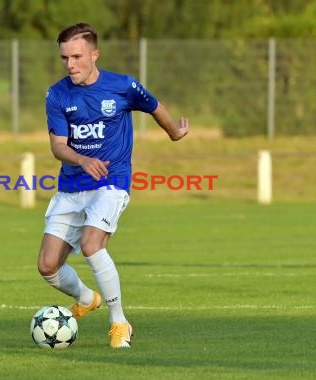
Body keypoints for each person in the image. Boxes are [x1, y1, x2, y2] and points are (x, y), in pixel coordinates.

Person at [37, 22, 189, 348]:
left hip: (112, 181)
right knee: (48, 266)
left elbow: (153, 105)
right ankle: (86, 298)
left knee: (93, 245)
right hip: (72, 185)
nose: (70, 64)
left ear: (94, 55)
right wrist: (81, 160)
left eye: (76, 56)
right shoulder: (57, 94)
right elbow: (58, 146)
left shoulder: (122, 86)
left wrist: (174, 132)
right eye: (64, 57)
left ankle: (119, 322)